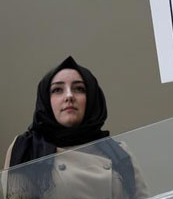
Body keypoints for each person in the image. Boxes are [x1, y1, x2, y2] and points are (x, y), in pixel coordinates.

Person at [3, 56, 149, 199]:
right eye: (57, 90)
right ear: (46, 101)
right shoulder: (26, 149)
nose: (69, 96)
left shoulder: (119, 151)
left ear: (91, 98)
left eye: (79, 88)